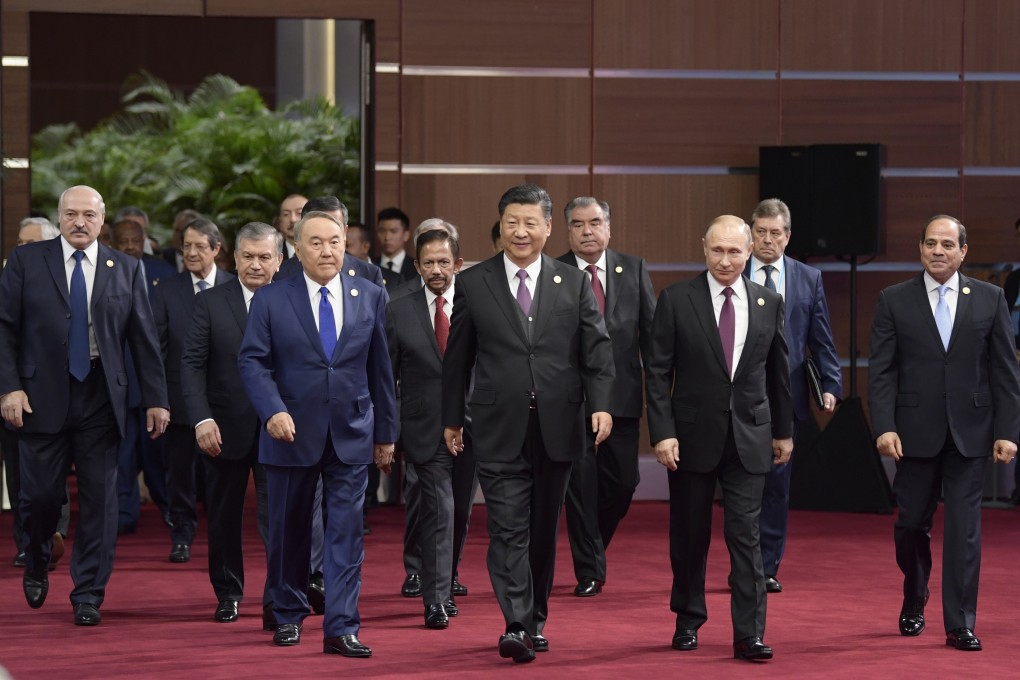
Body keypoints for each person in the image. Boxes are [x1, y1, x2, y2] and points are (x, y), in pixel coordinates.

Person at [442, 184, 614, 663]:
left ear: (547, 227)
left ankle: (534, 616)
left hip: (559, 425)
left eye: (530, 222)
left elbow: (597, 352)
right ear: (500, 227)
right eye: (511, 223)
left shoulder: (572, 282)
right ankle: (516, 622)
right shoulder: (475, 283)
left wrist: (601, 404)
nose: (520, 231)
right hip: (497, 426)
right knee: (508, 528)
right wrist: (452, 418)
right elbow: (458, 358)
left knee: (541, 531)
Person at [0, 185, 170, 626]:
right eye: (71, 214)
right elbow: (5, 330)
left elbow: (144, 339)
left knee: (101, 501)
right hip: (40, 397)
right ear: (60, 217)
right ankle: (37, 556)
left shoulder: (126, 268)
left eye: (88, 215)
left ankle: (89, 592)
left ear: (102, 219)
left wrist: (155, 399)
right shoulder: (26, 261)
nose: (79, 222)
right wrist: (9, 387)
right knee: (38, 497)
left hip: (101, 395)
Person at [238, 210, 397, 656]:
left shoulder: (369, 294)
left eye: (334, 241)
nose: (327, 251)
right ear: (296, 248)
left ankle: (342, 626)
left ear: (345, 242)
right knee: (290, 532)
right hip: (289, 433)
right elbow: (252, 361)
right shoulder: (271, 298)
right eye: (315, 242)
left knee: (346, 533)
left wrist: (386, 433)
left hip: (351, 432)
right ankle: (288, 613)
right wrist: (272, 411)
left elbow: (380, 370)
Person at [869, 214, 1020, 652]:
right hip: (912, 434)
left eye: (947, 245)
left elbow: (1004, 372)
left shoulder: (990, 299)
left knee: (964, 530)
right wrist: (884, 426)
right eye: (931, 243)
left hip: (972, 433)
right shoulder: (894, 299)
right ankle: (915, 593)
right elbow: (881, 371)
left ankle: (960, 622)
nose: (939, 251)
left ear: (963, 252)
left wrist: (1008, 431)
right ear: (920, 248)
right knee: (910, 524)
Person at [645, 215, 793, 661]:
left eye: (734, 251)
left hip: (750, 434)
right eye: (717, 250)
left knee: (745, 535)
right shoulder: (676, 299)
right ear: (703, 248)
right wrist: (663, 433)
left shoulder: (769, 302)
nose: (725, 260)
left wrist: (784, 431)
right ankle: (688, 619)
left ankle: (749, 633)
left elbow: (778, 373)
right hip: (690, 437)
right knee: (690, 534)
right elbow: (656, 374)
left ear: (749, 252)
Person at [180, 222, 282, 625]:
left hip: (281, 427)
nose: (255, 265)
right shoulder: (209, 302)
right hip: (222, 427)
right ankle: (228, 593)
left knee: (280, 517)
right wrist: (201, 418)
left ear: (279, 259)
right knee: (223, 516)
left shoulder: (294, 300)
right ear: (233, 257)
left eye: (264, 257)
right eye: (248, 256)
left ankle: (279, 596)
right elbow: (191, 365)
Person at [555, 197, 655, 597]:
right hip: (571, 398)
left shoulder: (633, 268)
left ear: (609, 227)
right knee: (578, 487)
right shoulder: (555, 272)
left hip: (623, 396)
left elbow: (651, 335)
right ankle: (590, 570)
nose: (587, 231)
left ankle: (593, 545)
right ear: (567, 230)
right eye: (577, 224)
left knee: (623, 482)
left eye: (595, 222)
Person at [745, 198, 842, 593]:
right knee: (742, 484)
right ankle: (744, 560)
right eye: (761, 232)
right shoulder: (731, 270)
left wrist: (832, 383)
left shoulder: (808, 278)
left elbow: (821, 336)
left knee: (776, 483)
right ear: (751, 234)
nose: (767, 240)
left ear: (788, 236)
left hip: (789, 393)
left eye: (775, 233)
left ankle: (766, 566)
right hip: (740, 393)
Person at [390, 219, 478, 601]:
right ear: (417, 265)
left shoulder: (478, 301)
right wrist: (389, 431)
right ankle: (427, 579)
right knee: (433, 504)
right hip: (423, 423)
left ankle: (446, 572)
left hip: (473, 421)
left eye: (443, 262)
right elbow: (387, 374)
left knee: (459, 507)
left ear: (458, 264)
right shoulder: (397, 306)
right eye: (428, 263)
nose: (436, 270)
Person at [151, 218, 235, 563]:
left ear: (217, 248)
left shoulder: (235, 286)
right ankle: (182, 532)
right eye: (186, 246)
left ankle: (221, 532)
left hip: (226, 400)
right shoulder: (166, 290)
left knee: (221, 474)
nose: (192, 252)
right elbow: (156, 348)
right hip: (180, 398)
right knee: (180, 473)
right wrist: (159, 399)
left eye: (200, 246)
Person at [2, 217, 71, 569]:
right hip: (8, 387)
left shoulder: (61, 281)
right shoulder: (9, 275)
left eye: (31, 243)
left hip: (43, 394)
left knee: (47, 473)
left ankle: (51, 535)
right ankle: (27, 542)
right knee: (17, 474)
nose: (23, 249)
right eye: (19, 242)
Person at [110, 218, 174, 534]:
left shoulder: (164, 273)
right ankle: (124, 516)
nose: (131, 246)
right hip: (117, 384)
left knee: (157, 457)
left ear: (144, 240)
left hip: (155, 383)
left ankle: (171, 513)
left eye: (136, 240)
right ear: (112, 242)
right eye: (124, 241)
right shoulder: (104, 274)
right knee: (122, 455)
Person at [374, 207, 417, 288]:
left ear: (406, 235)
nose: (387, 237)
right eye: (382, 231)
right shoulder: (371, 266)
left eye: (393, 231)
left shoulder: (417, 268)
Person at [277, 193, 308, 261]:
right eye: (286, 214)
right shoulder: (273, 255)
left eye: (299, 213)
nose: (292, 219)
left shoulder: (323, 253)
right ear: (280, 222)